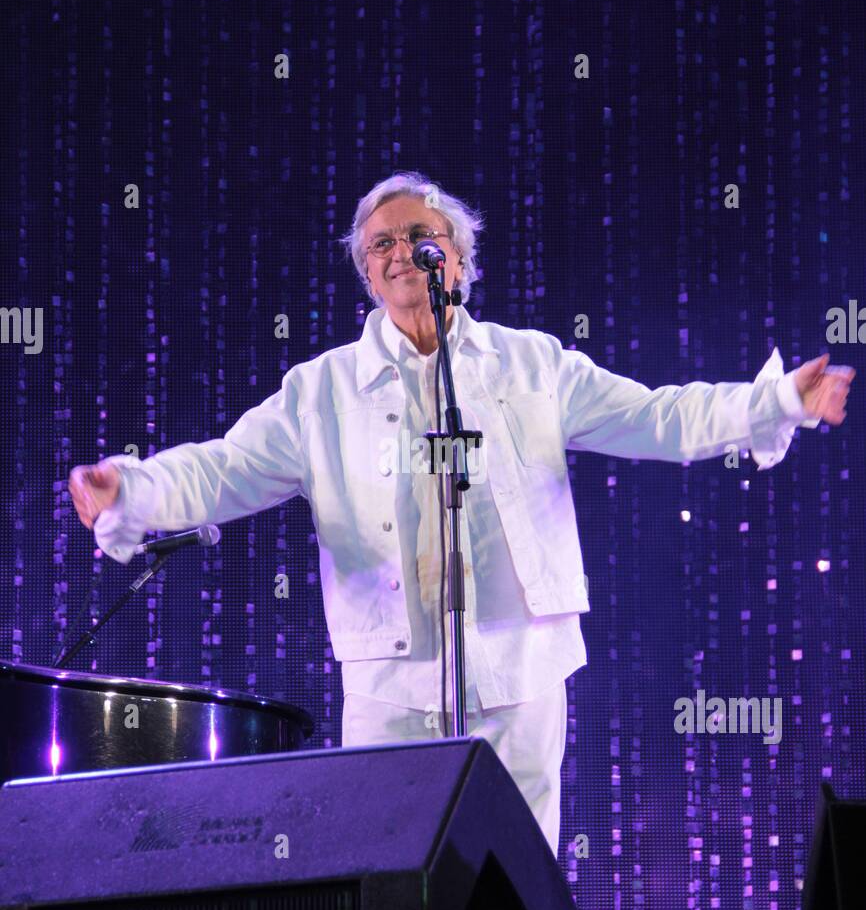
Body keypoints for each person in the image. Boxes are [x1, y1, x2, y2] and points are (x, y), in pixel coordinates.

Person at [69, 170, 855, 857]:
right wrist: (132, 489)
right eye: (379, 244)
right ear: (367, 276)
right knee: (385, 874)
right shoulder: (322, 390)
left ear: (460, 259)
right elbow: (225, 467)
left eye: (420, 235)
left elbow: (658, 416)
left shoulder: (533, 364)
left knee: (514, 879)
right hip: (391, 683)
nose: (399, 250)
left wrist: (778, 401)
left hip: (523, 668)